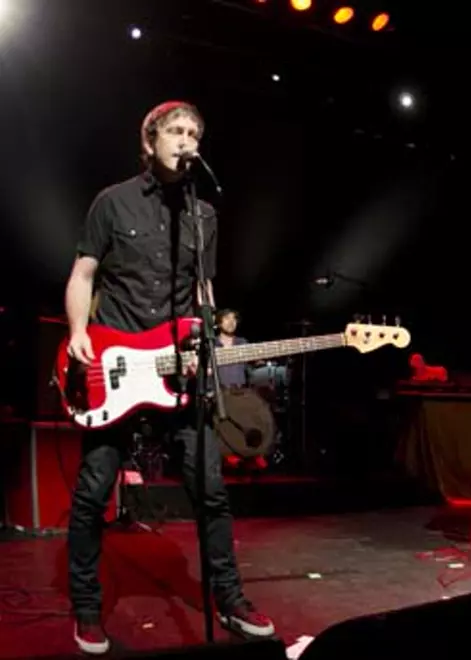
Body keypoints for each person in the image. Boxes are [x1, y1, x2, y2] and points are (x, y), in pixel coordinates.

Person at [63, 101, 274, 655]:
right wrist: (79, 330)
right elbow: (84, 273)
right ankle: (86, 608)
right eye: (175, 131)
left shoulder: (204, 216)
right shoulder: (112, 202)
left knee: (211, 491)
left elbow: (203, 291)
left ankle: (230, 599)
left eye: (194, 133)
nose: (186, 140)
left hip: (176, 374)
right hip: (116, 366)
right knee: (93, 492)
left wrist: (205, 338)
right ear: (150, 140)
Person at [215, 309, 251, 388]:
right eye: (227, 318)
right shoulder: (212, 344)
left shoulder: (242, 342)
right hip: (217, 391)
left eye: (234, 318)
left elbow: (248, 368)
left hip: (240, 391)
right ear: (219, 323)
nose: (231, 322)